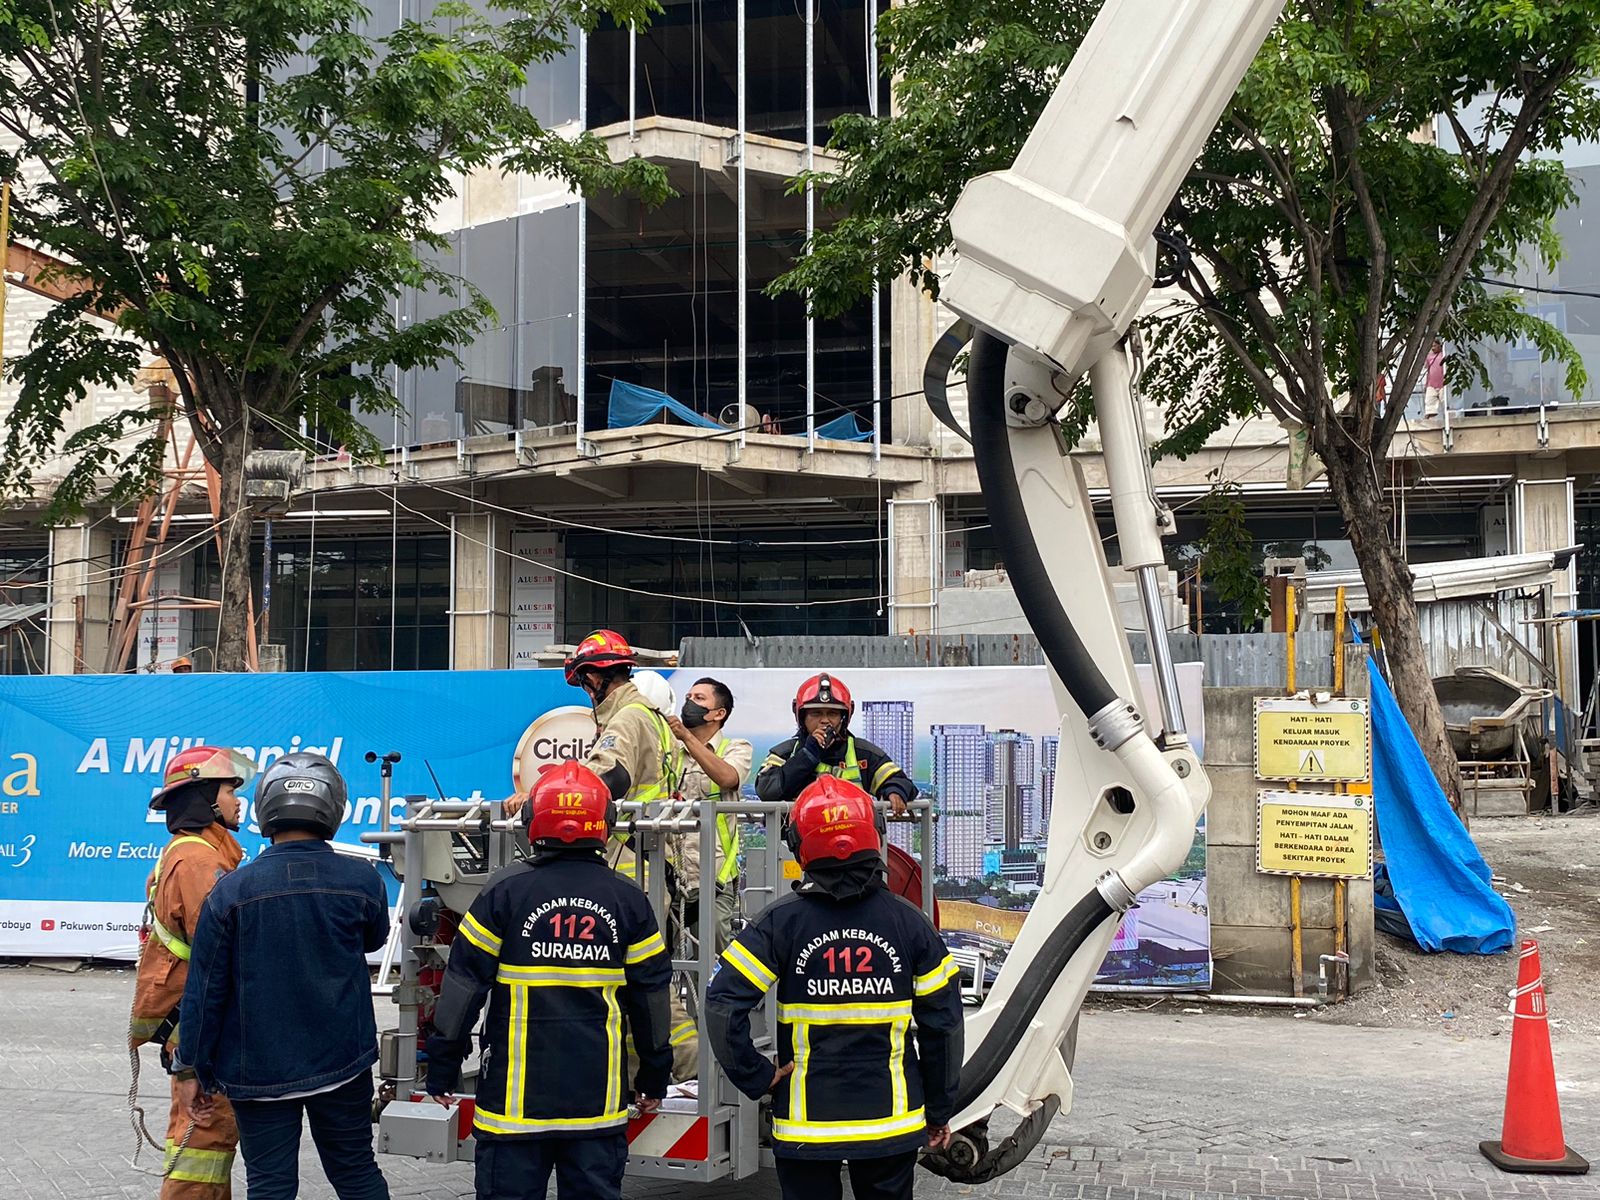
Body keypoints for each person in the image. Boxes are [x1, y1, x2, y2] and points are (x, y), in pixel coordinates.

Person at [706, 776, 963, 1200]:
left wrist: (758, 1076)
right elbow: (945, 1026)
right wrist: (938, 1110)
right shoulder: (911, 922)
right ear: (874, 836)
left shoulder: (778, 923)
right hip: (891, 1123)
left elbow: (721, 1005)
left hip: (807, 1126)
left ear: (799, 844)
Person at [426, 761, 673, 1200]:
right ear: (605, 824)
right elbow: (651, 998)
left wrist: (444, 1065)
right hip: (596, 1107)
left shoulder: (503, 891)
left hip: (513, 1109)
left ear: (531, 821)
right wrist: (654, 1076)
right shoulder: (628, 899)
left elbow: (462, 987)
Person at [173, 753, 391, 1200]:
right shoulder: (362, 880)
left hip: (258, 1071)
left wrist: (190, 1066)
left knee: (270, 1185)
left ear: (266, 809)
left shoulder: (231, 890)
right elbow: (373, 939)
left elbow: (205, 990)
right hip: (343, 1062)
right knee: (355, 1173)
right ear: (333, 808)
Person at [505, 630, 697, 1079]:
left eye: (584, 679)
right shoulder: (646, 715)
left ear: (593, 676)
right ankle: (644, 1077)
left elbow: (603, 778)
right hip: (651, 863)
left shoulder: (628, 717)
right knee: (638, 979)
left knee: (643, 983)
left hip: (630, 863)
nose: (585, 690)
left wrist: (538, 798)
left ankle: (690, 1073)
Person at [130, 745, 254, 1200]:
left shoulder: (189, 853)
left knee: (206, 1140)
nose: (238, 800)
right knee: (204, 1136)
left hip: (192, 1023)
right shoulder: (200, 862)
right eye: (229, 789)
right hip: (202, 1028)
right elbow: (220, 952)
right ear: (204, 798)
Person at [664, 677, 753, 953]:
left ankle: (708, 999)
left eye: (699, 698)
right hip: (670, 873)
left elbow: (727, 777)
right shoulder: (669, 751)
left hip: (713, 877)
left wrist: (687, 738)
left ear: (719, 714)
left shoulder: (737, 748)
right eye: (688, 696)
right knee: (657, 955)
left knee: (711, 954)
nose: (690, 702)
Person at [755, 673, 916, 820]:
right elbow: (766, 790)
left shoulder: (863, 753)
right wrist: (807, 756)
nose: (825, 720)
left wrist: (895, 791)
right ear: (802, 717)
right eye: (816, 714)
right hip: (797, 846)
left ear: (844, 717)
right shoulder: (785, 753)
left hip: (854, 842)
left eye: (832, 713)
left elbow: (899, 780)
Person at [1424, 339, 1447, 418]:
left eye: (1434, 346)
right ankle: (1429, 419)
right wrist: (1426, 384)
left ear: (1439, 346)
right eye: (1431, 346)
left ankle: (1449, 418)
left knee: (1445, 402)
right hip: (1431, 384)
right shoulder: (1429, 356)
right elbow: (1428, 371)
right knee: (1429, 403)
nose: (1433, 348)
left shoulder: (1443, 355)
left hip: (1443, 383)